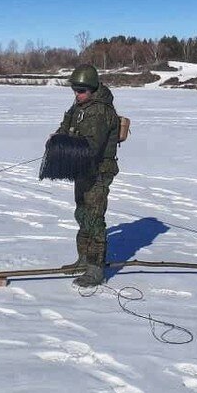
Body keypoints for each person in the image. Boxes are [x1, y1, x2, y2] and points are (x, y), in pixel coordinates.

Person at [54, 64, 120, 287]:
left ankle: (96, 267)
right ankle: (83, 258)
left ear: (91, 89)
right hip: (82, 169)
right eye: (74, 90)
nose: (77, 94)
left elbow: (92, 146)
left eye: (81, 91)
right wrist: (57, 139)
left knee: (94, 218)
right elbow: (66, 127)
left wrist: (66, 145)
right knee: (82, 214)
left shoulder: (101, 111)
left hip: (99, 171)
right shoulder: (79, 107)